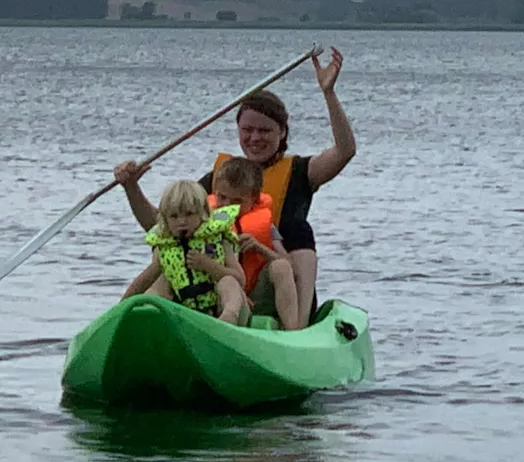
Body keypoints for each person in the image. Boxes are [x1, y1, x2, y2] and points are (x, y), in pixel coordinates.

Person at [114, 46, 356, 326]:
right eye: (247, 130)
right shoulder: (218, 179)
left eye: (265, 130)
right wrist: (131, 188)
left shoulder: (302, 171)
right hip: (219, 279)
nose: (255, 138)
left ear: (282, 132)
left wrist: (329, 93)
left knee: (299, 233)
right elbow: (162, 225)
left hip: (276, 281)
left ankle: (297, 331)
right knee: (169, 249)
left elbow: (345, 150)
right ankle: (142, 321)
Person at [122, 179, 249, 326]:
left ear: (204, 213)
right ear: (165, 219)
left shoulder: (219, 239)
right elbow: (143, 280)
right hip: (186, 311)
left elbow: (240, 280)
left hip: (224, 309)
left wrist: (208, 265)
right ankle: (149, 315)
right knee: (160, 282)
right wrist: (122, 307)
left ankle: (228, 319)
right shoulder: (164, 245)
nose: (181, 222)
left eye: (189, 214)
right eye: (174, 216)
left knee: (228, 281)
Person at [209, 156, 300, 330]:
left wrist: (260, 247)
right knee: (228, 280)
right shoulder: (205, 224)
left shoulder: (265, 225)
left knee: (281, 266)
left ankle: (292, 333)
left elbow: (290, 267)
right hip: (224, 295)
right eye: (222, 198)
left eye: (237, 201)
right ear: (215, 192)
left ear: (254, 199)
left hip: (259, 296)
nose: (227, 206)